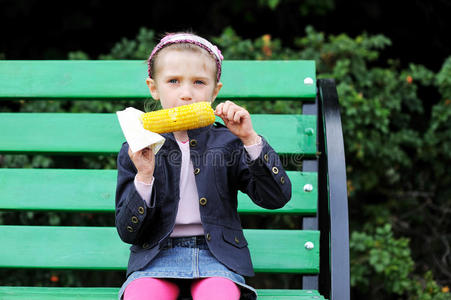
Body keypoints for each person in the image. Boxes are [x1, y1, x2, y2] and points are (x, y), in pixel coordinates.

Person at [115, 32, 292, 300]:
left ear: (215, 91)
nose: (186, 94)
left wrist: (250, 139)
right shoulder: (138, 147)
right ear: (154, 87)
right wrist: (144, 175)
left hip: (216, 256)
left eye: (199, 82)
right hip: (156, 256)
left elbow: (275, 197)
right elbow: (128, 231)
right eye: (173, 81)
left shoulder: (229, 143)